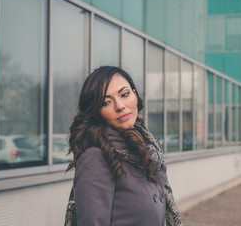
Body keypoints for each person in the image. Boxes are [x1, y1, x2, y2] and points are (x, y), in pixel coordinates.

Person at [67, 66, 183, 226]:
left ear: (135, 94)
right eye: (106, 102)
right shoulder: (96, 157)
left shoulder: (146, 152)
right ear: (96, 111)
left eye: (125, 94)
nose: (119, 105)